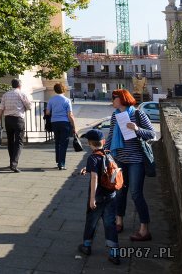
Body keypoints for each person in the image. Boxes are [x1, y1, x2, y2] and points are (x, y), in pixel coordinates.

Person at [105, 88, 156, 241]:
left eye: (114, 97)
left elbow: (152, 134)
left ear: (122, 99)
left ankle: (144, 229)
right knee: (119, 192)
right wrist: (105, 153)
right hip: (120, 159)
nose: (112, 100)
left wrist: (137, 128)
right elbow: (111, 134)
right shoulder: (115, 115)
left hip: (136, 161)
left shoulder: (138, 114)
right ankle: (119, 221)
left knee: (136, 193)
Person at [77, 129, 120, 265]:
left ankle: (86, 245)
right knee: (110, 224)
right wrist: (88, 169)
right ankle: (114, 253)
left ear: (90, 144)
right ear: (103, 142)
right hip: (111, 195)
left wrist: (92, 198)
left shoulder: (92, 157)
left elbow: (95, 177)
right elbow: (104, 170)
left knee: (91, 221)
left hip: (99, 197)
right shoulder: (108, 154)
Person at [0, 79, 32, 173]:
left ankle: (11, 161)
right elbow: (29, 106)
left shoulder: (5, 95)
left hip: (8, 119)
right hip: (18, 120)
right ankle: (14, 164)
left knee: (10, 141)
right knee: (19, 142)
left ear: (12, 85)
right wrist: (25, 107)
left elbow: (1, 108)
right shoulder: (21, 94)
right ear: (20, 85)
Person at [45, 83, 76, 170]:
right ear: (63, 89)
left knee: (57, 142)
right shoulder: (67, 100)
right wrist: (74, 126)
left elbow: (47, 112)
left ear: (55, 90)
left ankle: (58, 161)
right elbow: (70, 115)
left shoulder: (51, 100)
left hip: (54, 122)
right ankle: (61, 164)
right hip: (64, 123)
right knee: (63, 144)